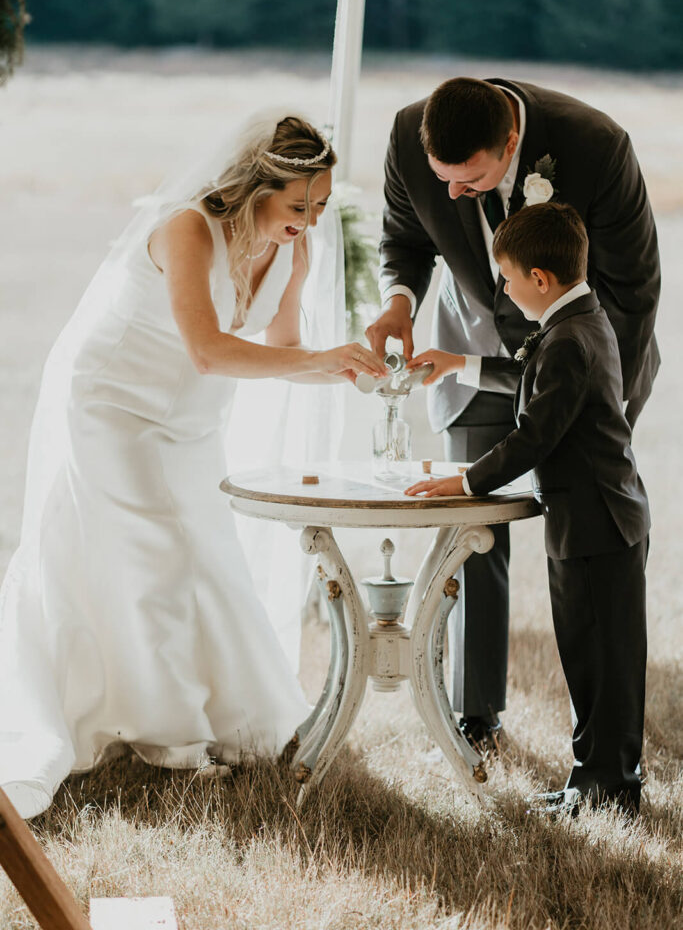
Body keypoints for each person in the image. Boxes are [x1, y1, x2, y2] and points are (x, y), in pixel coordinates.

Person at [0, 110, 387, 820]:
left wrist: (347, 369)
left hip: (190, 418)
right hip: (113, 403)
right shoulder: (185, 228)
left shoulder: (293, 251)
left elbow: (285, 350)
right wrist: (318, 360)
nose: (310, 218)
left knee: (206, 552)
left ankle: (218, 717)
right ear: (253, 187)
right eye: (296, 204)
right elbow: (208, 350)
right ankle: (172, 738)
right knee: (153, 555)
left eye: (322, 204)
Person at [366, 76, 660, 752]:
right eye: (443, 179)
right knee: (474, 532)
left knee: (581, 536)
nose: (453, 194)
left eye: (469, 181)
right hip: (466, 350)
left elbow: (633, 287)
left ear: (510, 145)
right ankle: (476, 712)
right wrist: (397, 302)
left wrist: (600, 400)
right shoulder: (410, 139)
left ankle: (605, 746)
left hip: (582, 354)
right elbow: (403, 238)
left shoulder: (593, 144)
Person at [405, 202, 649, 817]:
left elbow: (534, 436)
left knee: (603, 663)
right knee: (589, 656)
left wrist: (467, 482)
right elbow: (526, 378)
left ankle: (608, 788)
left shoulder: (570, 339)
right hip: (595, 519)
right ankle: (592, 780)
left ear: (540, 279)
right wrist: (460, 363)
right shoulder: (579, 320)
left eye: (509, 280)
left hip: (597, 524)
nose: (505, 293)